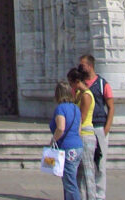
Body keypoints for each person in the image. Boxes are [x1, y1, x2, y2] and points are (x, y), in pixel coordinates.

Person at [78, 54, 114, 200]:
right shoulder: (80, 85)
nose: (80, 67)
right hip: (85, 129)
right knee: (85, 165)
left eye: (82, 65)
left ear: (90, 66)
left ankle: (100, 196)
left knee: (99, 164)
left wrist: (106, 129)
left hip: (99, 126)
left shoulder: (102, 84)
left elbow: (111, 107)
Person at [49, 79, 83, 200]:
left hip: (67, 149)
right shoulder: (76, 109)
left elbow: (61, 128)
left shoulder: (60, 109)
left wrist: (53, 140)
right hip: (78, 147)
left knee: (70, 183)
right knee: (70, 180)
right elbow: (79, 130)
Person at [68, 65, 97, 200]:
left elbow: (82, 117)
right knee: (79, 173)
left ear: (76, 81)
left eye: (70, 83)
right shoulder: (79, 94)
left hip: (85, 134)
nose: (70, 86)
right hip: (79, 135)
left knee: (88, 172)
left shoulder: (86, 95)